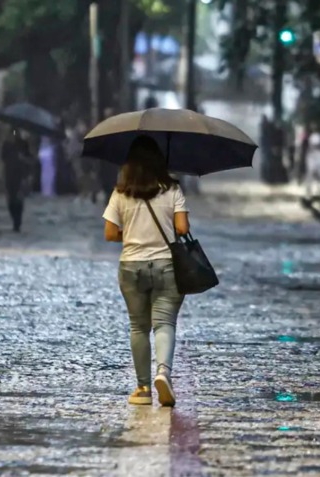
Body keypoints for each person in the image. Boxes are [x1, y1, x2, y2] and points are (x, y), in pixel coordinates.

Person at [102, 135, 190, 407]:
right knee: (164, 323)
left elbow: (109, 233)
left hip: (131, 265)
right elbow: (182, 229)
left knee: (138, 326)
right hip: (166, 265)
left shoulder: (120, 192)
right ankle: (163, 373)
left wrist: (131, 234)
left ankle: (142, 389)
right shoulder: (172, 188)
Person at [1, 129, 32, 232]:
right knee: (10, 199)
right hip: (9, 174)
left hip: (21, 174)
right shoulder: (6, 144)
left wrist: (23, 158)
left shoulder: (23, 144)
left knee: (19, 198)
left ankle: (17, 222)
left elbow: (30, 158)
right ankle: (14, 218)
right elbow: (3, 158)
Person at [305, 123, 320, 196]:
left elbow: (317, 145)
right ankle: (309, 189)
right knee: (310, 172)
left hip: (318, 155)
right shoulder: (310, 136)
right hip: (312, 155)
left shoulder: (318, 136)